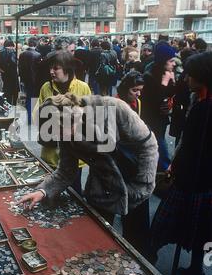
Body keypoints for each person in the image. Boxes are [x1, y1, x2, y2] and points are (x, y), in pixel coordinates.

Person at [18, 92, 158, 259]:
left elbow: (148, 145)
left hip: (134, 178)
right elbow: (66, 172)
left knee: (137, 242)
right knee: (98, 238)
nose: (56, 138)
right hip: (102, 182)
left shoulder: (112, 108)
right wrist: (42, 191)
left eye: (57, 132)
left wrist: (142, 183)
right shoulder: (65, 132)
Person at [150, 52, 212, 275]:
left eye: (190, 74)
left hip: (192, 180)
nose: (186, 78)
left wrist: (175, 170)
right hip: (204, 180)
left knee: (162, 225)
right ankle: (197, 269)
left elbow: (191, 148)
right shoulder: (200, 102)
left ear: (202, 77)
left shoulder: (204, 109)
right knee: (202, 228)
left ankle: (147, 264)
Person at [34, 50, 91, 194]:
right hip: (51, 151)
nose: (51, 71)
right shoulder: (46, 87)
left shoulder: (82, 87)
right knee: (50, 193)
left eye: (56, 68)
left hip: (75, 152)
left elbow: (90, 117)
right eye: (50, 68)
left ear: (67, 68)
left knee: (75, 195)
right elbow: (38, 116)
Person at [116, 72, 150, 256]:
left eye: (140, 91)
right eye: (134, 90)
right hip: (116, 160)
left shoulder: (137, 104)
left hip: (132, 160)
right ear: (124, 89)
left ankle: (133, 244)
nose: (138, 94)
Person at [141, 42, 176, 171]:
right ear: (162, 61)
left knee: (157, 144)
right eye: (171, 61)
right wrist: (165, 83)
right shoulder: (149, 76)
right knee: (158, 145)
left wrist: (171, 82)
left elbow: (171, 94)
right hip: (152, 118)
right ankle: (165, 169)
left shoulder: (166, 73)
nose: (174, 64)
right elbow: (155, 100)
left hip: (162, 117)